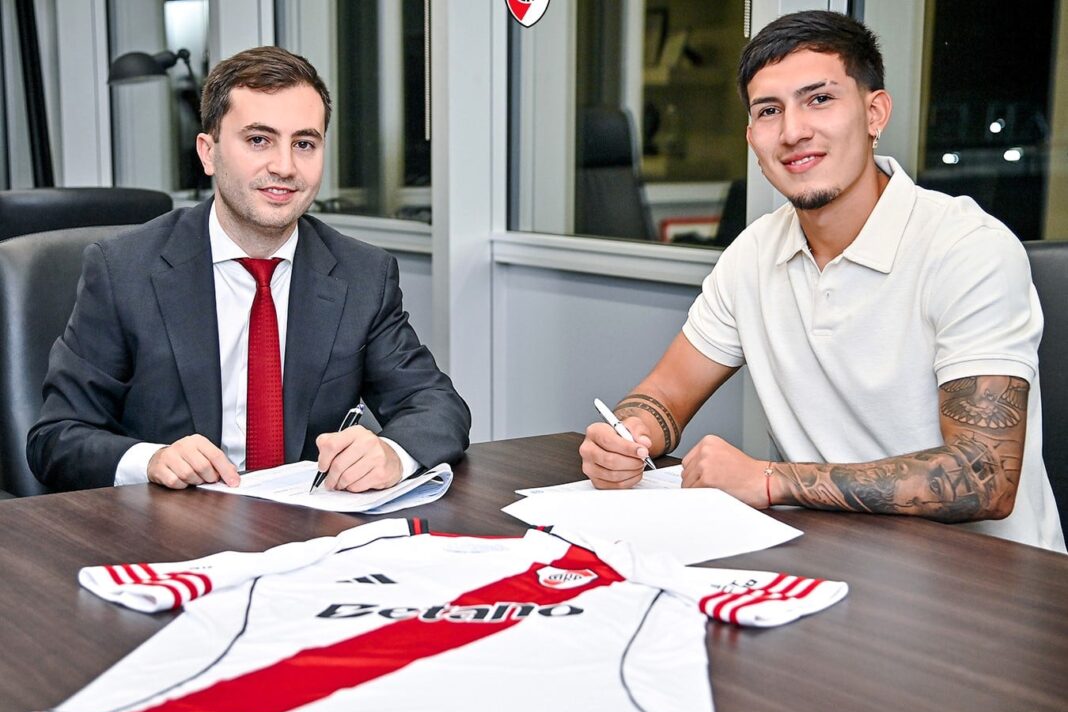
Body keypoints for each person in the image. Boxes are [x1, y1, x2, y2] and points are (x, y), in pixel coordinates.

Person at [580, 11, 1065, 553]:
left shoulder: (967, 247)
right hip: (833, 560)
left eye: (819, 99)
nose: (793, 131)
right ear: (751, 137)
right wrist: (627, 434)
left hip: (989, 589)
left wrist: (769, 480)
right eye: (770, 111)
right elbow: (665, 392)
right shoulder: (753, 255)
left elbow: (982, 477)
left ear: (874, 112)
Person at [28, 47, 470, 493]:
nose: (284, 166)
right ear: (208, 152)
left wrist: (392, 453)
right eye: (259, 140)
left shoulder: (362, 275)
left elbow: (435, 404)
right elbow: (56, 438)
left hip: (308, 529)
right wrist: (152, 460)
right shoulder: (123, 270)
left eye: (304, 144)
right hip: (172, 530)